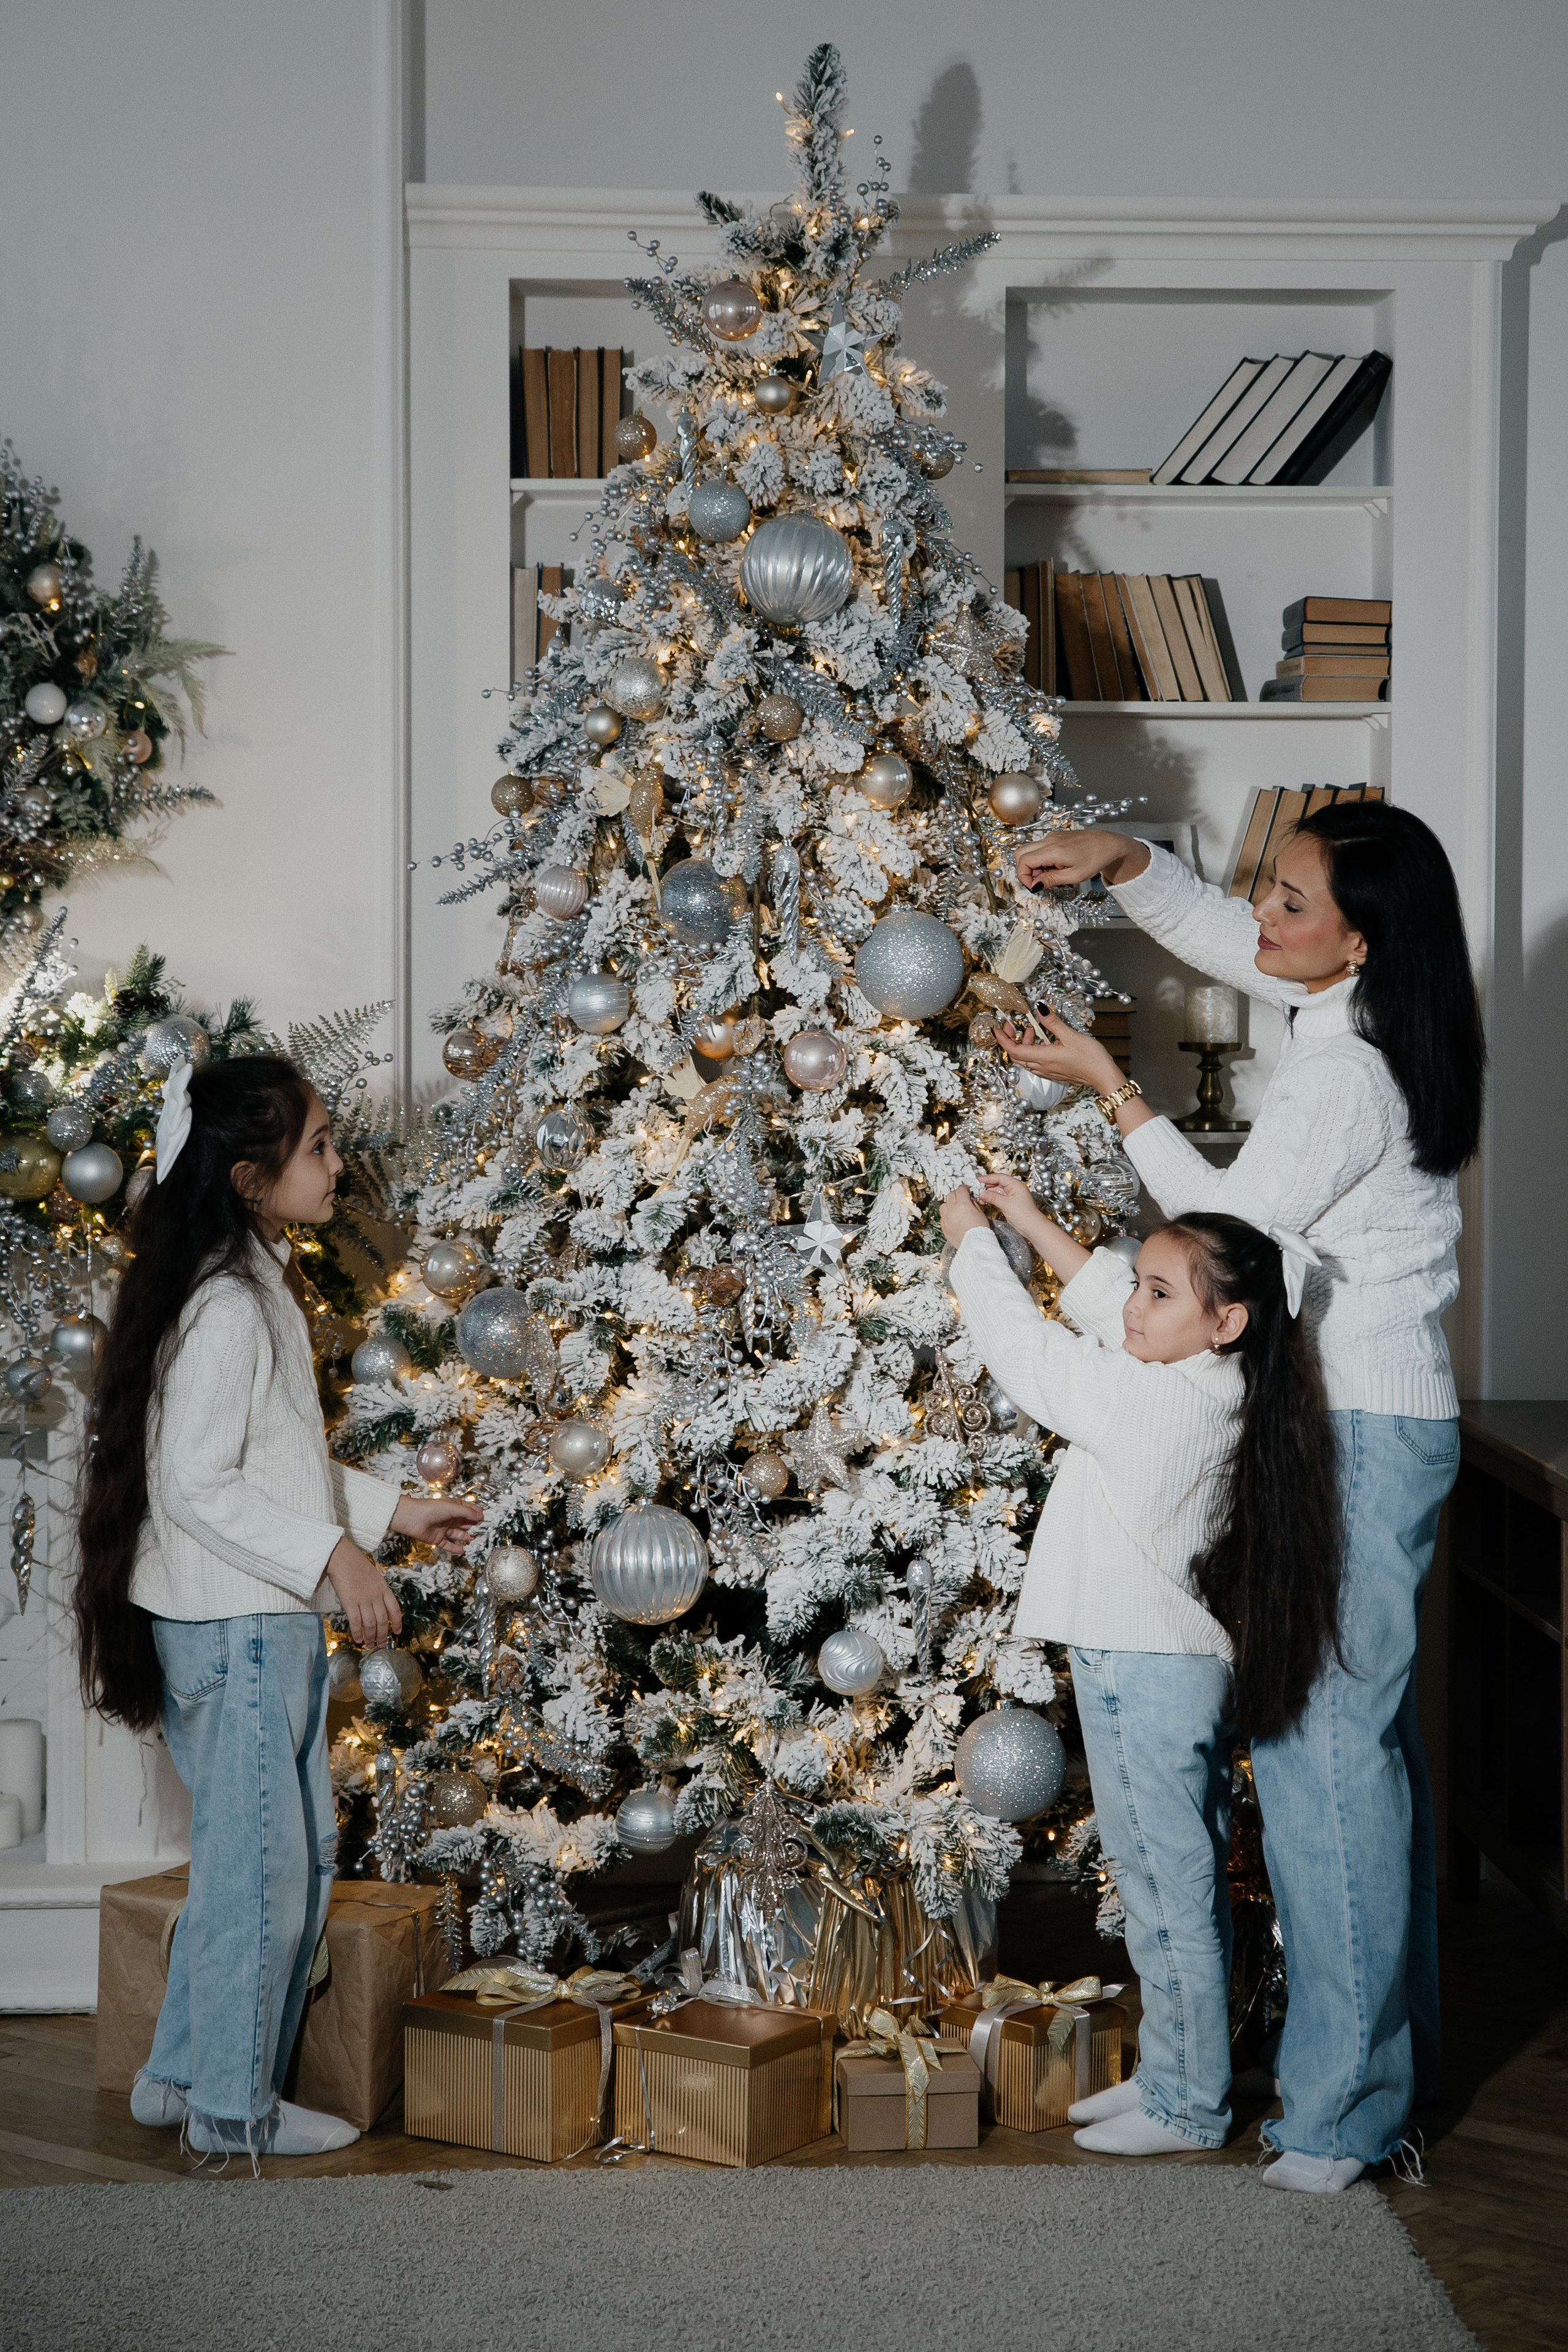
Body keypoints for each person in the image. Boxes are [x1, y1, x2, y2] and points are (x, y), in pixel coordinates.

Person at [1007, 799, 1485, 2190]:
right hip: (1340, 1420)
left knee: (1322, 1765)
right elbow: (1237, 940)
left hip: (1356, 1430)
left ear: (1356, 941)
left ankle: (1344, 2112)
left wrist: (1116, 1096)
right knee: (1339, 1762)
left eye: (1289, 902)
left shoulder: (1344, 1077)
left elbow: (1231, 1251)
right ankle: (1371, 2082)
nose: (1259, 917)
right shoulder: (1350, 1006)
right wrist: (1127, 866)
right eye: (1267, 891)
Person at [74, 1054, 481, 2160]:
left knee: (258, 1870)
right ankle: (231, 2114)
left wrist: (395, 1514)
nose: (339, 1166)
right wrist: (334, 1560)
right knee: (267, 1886)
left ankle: (175, 2077)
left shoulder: (245, 1280)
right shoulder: (229, 1305)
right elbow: (198, 1485)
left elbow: (277, 1463)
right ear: (252, 1177)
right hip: (242, 1633)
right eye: (318, 1149)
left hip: (247, 1628)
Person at [940, 1178, 1340, 2160]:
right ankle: (1177, 2078)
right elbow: (1116, 1314)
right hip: (1171, 1668)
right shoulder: (1220, 1379)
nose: (1130, 1303)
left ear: (1226, 1320)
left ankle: (1188, 2107)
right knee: (1176, 1877)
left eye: (1159, 1292)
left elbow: (1026, 1350)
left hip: (1141, 1669)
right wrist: (1035, 1224)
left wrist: (971, 1244)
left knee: (1162, 1888)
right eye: (1139, 1283)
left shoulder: (1144, 1402)